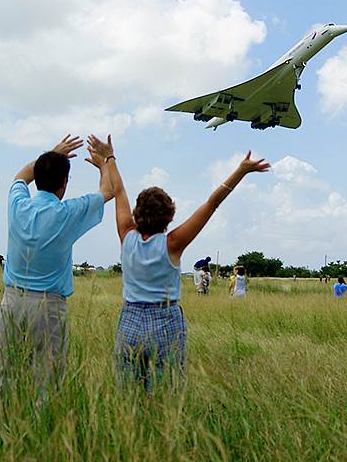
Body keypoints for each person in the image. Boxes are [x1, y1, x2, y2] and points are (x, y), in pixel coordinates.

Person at [89, 135, 269, 391]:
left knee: (127, 393)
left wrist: (109, 159)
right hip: (165, 320)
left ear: (137, 214)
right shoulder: (173, 243)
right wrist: (241, 171)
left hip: (129, 318)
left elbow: (118, 191)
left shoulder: (126, 234)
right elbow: (212, 203)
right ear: (170, 215)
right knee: (165, 391)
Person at [0, 135, 113, 400]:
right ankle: (41, 427)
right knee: (47, 375)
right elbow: (108, 192)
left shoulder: (18, 205)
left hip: (11, 300)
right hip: (49, 305)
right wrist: (105, 163)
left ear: (39, 179)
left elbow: (20, 177)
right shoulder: (67, 213)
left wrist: (53, 154)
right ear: (65, 184)